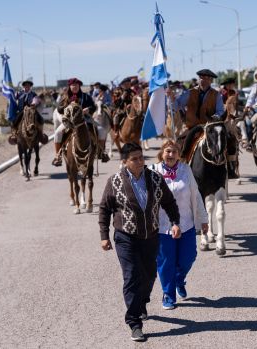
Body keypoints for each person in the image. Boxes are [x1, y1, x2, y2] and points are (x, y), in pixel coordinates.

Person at [99, 143, 181, 342]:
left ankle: (142, 302)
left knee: (149, 274)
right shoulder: (115, 181)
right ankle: (134, 322)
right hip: (126, 237)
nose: (139, 161)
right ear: (125, 162)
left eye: (141, 157)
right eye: (134, 159)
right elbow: (104, 209)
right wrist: (104, 235)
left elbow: (169, 202)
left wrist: (175, 222)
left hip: (151, 236)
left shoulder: (154, 178)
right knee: (132, 276)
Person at [149, 140, 208, 310]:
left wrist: (203, 219)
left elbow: (196, 195)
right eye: (168, 151)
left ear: (179, 155)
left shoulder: (186, 170)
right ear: (162, 153)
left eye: (174, 152)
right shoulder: (153, 171)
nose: (171, 155)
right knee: (166, 261)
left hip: (186, 224)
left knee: (188, 257)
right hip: (162, 226)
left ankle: (179, 279)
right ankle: (168, 294)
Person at [52, 77, 96, 166]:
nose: (74, 87)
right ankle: (58, 155)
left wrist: (88, 109)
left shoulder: (86, 96)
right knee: (57, 133)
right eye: (72, 85)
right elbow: (59, 109)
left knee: (95, 130)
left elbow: (93, 107)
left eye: (76, 85)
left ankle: (100, 151)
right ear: (70, 86)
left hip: (84, 120)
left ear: (79, 86)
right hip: (69, 121)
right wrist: (67, 108)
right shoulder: (65, 97)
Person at [9, 80, 47, 145]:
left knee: (41, 120)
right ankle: (14, 135)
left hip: (31, 111)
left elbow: (36, 99)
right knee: (14, 121)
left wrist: (34, 103)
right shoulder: (19, 93)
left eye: (28, 86)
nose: (27, 87)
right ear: (23, 86)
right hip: (21, 111)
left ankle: (41, 135)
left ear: (30, 86)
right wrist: (11, 96)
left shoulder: (33, 94)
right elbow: (14, 98)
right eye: (26, 85)